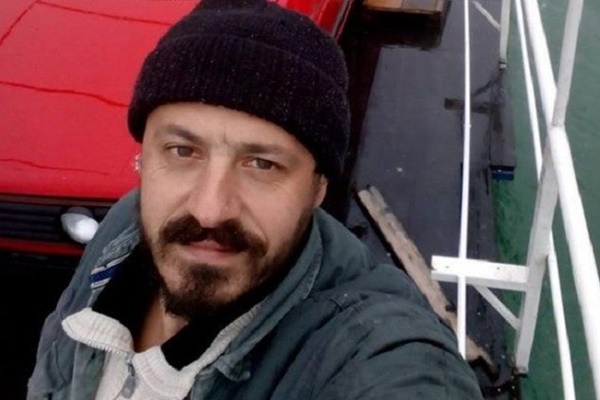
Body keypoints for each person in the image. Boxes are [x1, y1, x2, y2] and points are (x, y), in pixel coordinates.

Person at [27, 0, 484, 399]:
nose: (209, 210)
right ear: (144, 157)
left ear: (319, 188)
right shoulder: (124, 228)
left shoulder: (372, 353)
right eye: (182, 151)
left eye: (262, 164)